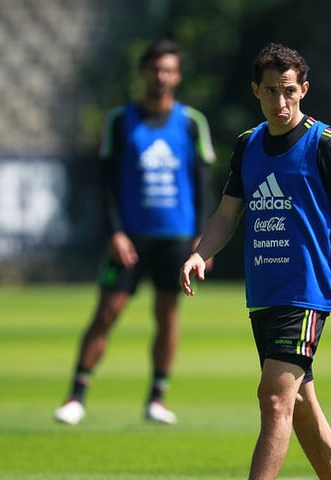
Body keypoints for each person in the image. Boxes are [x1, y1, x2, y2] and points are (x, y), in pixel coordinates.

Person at [180, 42, 331, 480]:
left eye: (289, 91)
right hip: (264, 294)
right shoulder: (247, 145)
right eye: (271, 91)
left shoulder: (324, 144)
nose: (281, 102)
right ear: (256, 91)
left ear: (304, 90)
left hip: (307, 292)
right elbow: (227, 216)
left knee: (274, 396)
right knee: (298, 403)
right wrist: (199, 253)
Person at [54, 39, 216, 426]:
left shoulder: (192, 122)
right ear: (144, 72)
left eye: (169, 70)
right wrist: (114, 232)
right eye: (156, 69)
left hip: (176, 237)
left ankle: (157, 397)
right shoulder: (120, 120)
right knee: (107, 312)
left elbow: (204, 183)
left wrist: (202, 239)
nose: (162, 76)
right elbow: (105, 183)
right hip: (130, 237)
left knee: (167, 314)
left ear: (177, 76)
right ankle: (76, 395)